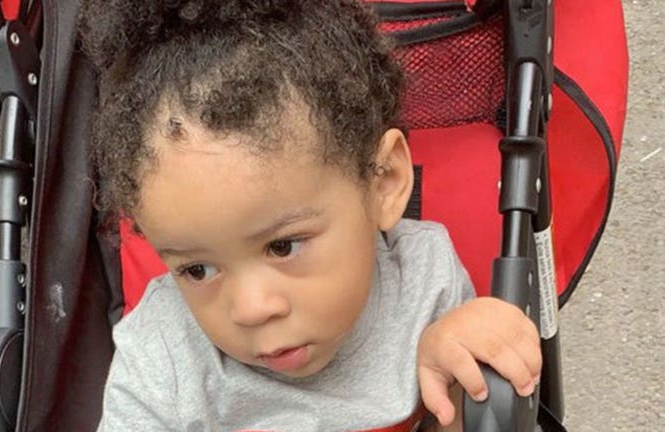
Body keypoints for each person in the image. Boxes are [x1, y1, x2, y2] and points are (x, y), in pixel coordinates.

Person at [78, 0, 541, 430]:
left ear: (383, 181)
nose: (251, 309)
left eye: (282, 246)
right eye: (197, 270)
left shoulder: (426, 284)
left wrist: (464, 381)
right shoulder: (163, 357)